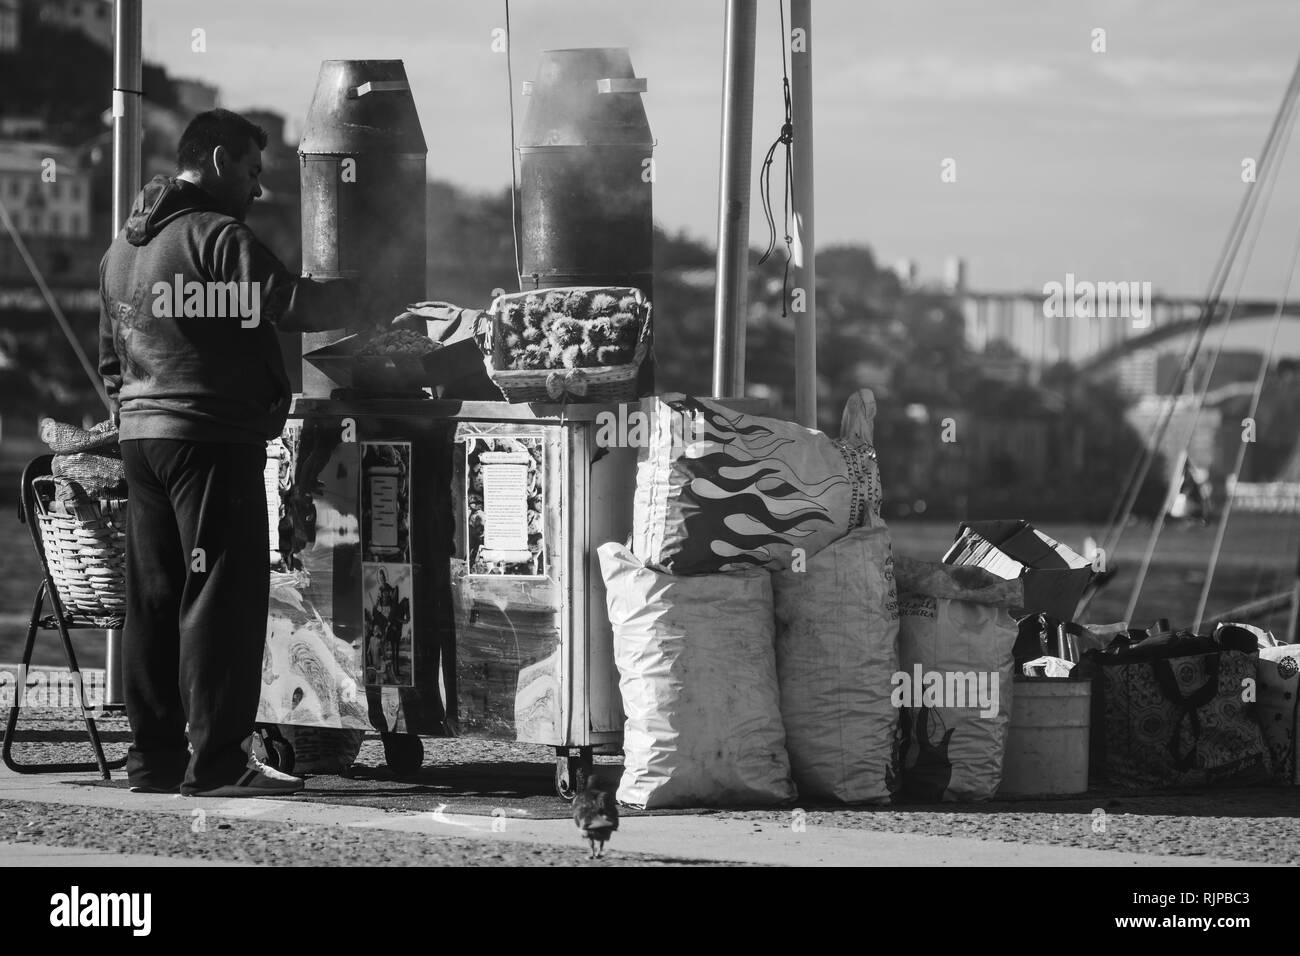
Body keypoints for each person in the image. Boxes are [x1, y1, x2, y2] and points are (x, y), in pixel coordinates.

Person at [98, 109, 362, 797]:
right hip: (210, 442)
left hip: (142, 440)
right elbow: (292, 304)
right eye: (250, 171)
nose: (257, 188)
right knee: (222, 597)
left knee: (155, 601)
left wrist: (139, 415)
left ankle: (151, 763)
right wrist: (372, 292)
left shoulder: (120, 253)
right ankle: (218, 765)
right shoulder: (215, 236)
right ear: (216, 161)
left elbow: (109, 362)